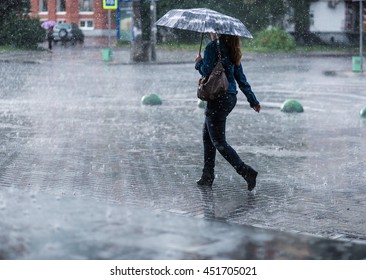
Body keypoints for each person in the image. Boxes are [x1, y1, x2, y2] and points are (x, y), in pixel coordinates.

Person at [194, 33, 261, 191]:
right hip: (230, 98)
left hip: (217, 97)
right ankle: (207, 176)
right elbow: (241, 79)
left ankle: (246, 172)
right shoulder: (233, 49)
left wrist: (198, 63)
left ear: (218, 32)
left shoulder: (212, 47)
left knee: (218, 142)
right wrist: (253, 101)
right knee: (208, 138)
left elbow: (206, 70)